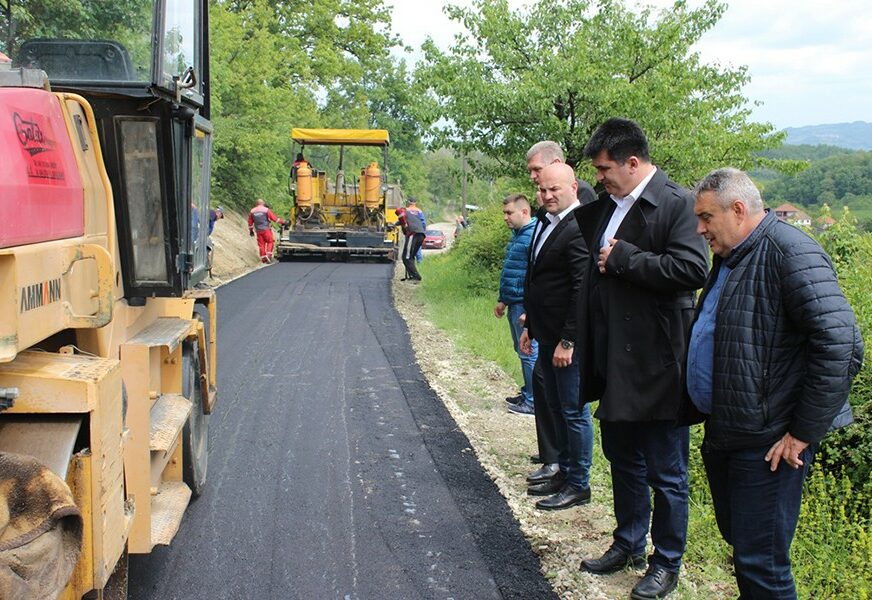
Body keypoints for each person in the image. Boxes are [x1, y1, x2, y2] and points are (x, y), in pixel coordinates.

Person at [685, 168, 863, 599]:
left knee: (762, 562)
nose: (699, 228)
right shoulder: (733, 255)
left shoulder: (789, 251)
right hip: (733, 430)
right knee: (747, 551)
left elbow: (841, 344)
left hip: (769, 442)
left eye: (706, 217)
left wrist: (802, 432)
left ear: (739, 209)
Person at [575, 118, 708, 600]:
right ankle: (628, 542)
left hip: (657, 364)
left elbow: (693, 268)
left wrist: (627, 258)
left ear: (634, 162)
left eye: (606, 168)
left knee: (666, 471)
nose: (600, 178)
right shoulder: (609, 204)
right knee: (622, 458)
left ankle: (666, 562)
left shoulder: (676, 203)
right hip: (614, 361)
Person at [519, 163, 594, 511]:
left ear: (573, 187)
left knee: (573, 410)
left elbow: (582, 288)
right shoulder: (547, 222)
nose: (547, 195)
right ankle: (563, 472)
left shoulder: (579, 225)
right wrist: (530, 327)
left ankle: (578, 483)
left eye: (554, 189)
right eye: (542, 189)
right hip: (545, 334)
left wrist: (569, 340)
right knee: (556, 407)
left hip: (566, 342)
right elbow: (537, 278)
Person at [494, 194, 539, 416]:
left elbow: (535, 276)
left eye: (509, 213)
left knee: (528, 352)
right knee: (521, 350)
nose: (505, 218)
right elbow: (513, 271)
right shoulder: (518, 234)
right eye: (504, 213)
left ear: (524, 212)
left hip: (524, 304)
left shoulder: (533, 235)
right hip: (514, 302)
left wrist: (530, 310)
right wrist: (503, 300)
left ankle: (533, 401)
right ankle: (528, 392)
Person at [526, 140, 597, 205]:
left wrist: (544, 208)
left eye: (537, 169)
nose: (532, 176)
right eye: (530, 171)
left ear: (556, 163)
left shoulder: (583, 191)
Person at [248, 198, 285, 263]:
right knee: (270, 241)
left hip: (258, 231)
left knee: (261, 245)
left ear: (256, 204)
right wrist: (283, 222)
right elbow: (275, 219)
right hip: (266, 230)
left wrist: (251, 231)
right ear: (263, 203)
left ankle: (263, 259)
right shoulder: (266, 210)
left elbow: (250, 223)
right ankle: (268, 255)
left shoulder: (252, 211)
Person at [395, 205, 425, 281]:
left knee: (406, 257)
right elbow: (401, 222)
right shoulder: (413, 216)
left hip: (413, 234)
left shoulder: (402, 213)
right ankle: (411, 276)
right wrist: (395, 224)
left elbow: (401, 216)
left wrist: (394, 225)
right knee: (410, 257)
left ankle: (416, 277)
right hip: (421, 235)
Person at [406, 198, 426, 263]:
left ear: (409, 202)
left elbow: (403, 220)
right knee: (418, 246)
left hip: (410, 231)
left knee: (409, 246)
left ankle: (409, 260)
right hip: (419, 231)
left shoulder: (406, 210)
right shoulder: (419, 211)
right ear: (415, 202)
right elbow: (423, 222)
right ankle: (419, 261)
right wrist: (423, 231)